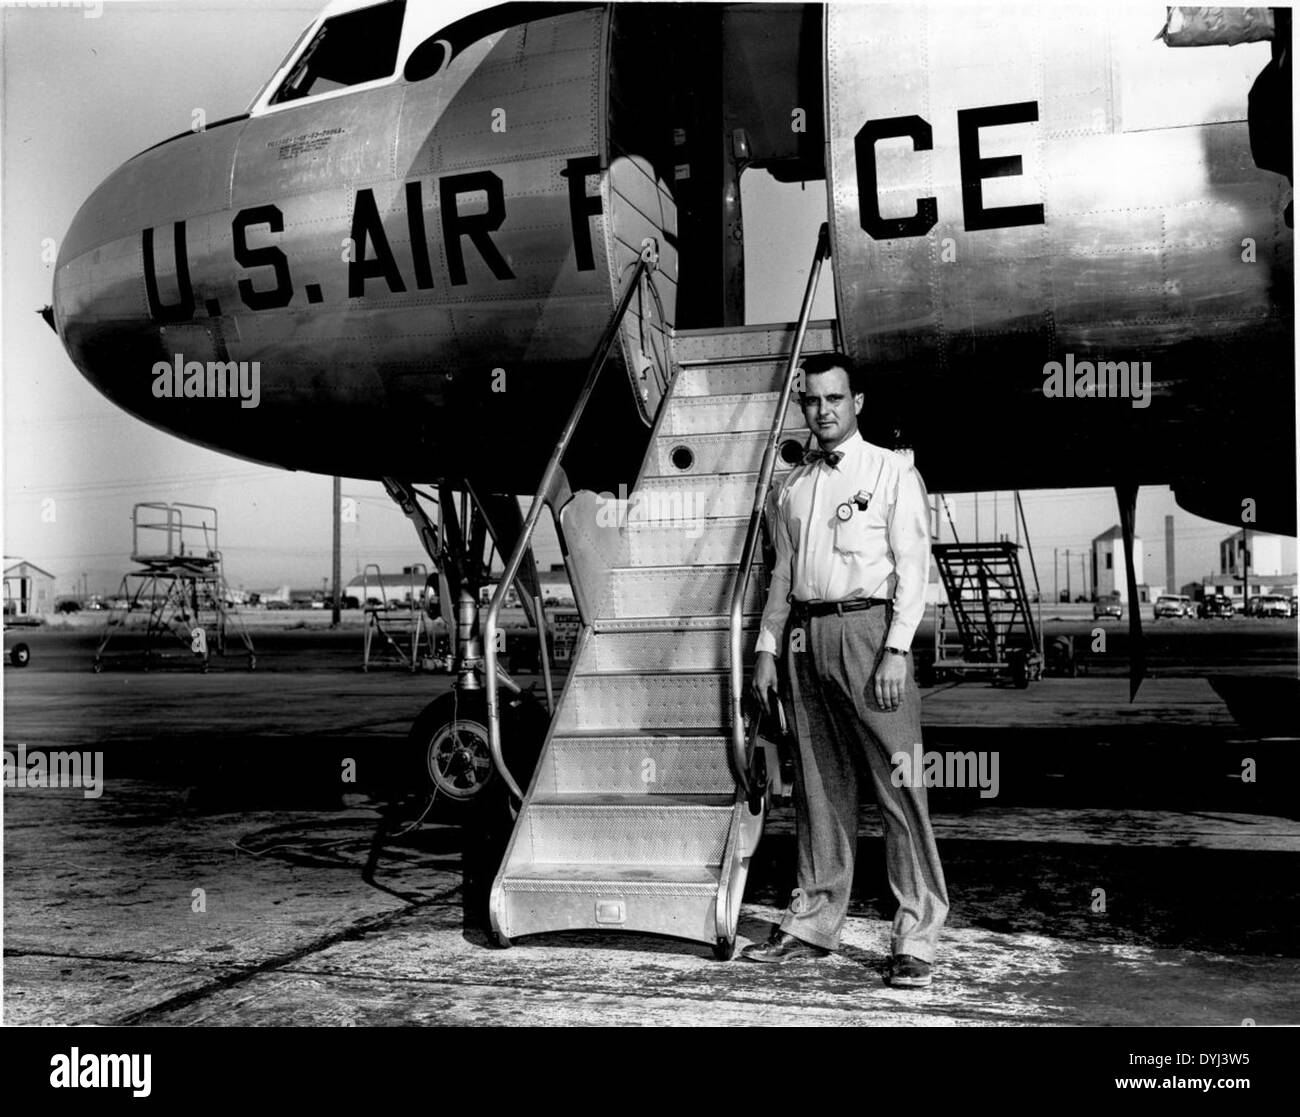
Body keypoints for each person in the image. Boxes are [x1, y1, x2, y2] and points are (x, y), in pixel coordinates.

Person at [742, 352, 948, 988]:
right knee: (817, 786)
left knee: (898, 787)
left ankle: (915, 936)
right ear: (802, 406)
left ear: (857, 403)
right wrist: (767, 649)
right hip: (805, 634)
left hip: (869, 632)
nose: (823, 410)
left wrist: (895, 648)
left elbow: (914, 567)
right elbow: (781, 575)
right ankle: (813, 922)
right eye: (812, 400)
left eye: (835, 398)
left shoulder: (892, 471)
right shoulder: (792, 487)